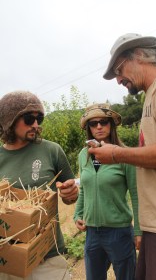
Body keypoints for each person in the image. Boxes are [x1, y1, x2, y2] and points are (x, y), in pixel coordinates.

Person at [88, 34, 156, 280]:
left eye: (119, 69)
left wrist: (116, 153)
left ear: (139, 55)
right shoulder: (154, 93)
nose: (118, 79)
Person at [0, 90, 79, 280]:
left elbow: (71, 196)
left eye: (39, 119)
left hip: (47, 257)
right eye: (28, 119)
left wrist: (71, 194)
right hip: (8, 259)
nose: (35, 125)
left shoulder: (52, 151)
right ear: (9, 120)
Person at [73, 103, 142, 280]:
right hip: (92, 233)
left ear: (111, 124)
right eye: (93, 123)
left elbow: (136, 194)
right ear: (88, 128)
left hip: (119, 232)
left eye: (103, 122)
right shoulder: (83, 155)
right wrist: (77, 214)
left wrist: (139, 231)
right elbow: (83, 190)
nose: (98, 126)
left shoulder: (124, 155)